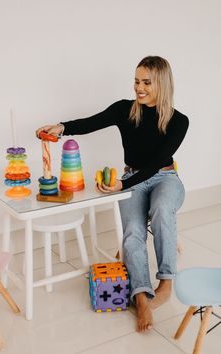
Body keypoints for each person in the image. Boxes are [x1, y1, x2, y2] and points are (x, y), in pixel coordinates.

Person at [36, 55, 189, 333]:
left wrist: (122, 185)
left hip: (165, 176)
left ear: (162, 84)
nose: (138, 88)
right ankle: (141, 294)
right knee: (132, 230)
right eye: (136, 81)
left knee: (162, 209)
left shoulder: (179, 121)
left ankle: (165, 282)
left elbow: (157, 161)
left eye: (146, 82)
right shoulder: (124, 109)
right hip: (131, 178)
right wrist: (61, 128)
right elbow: (90, 122)